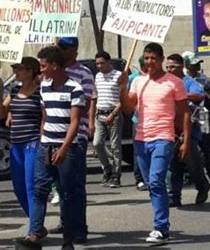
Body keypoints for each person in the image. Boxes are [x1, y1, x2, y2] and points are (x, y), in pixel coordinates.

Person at [119, 43, 191, 244]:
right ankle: (161, 224)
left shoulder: (174, 82)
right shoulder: (138, 82)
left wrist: (186, 139)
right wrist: (122, 87)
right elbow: (127, 108)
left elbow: (185, 112)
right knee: (152, 185)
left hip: (164, 137)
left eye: (153, 58)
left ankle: (161, 227)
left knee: (157, 180)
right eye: (146, 58)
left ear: (160, 59)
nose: (149, 62)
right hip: (141, 139)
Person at [16, 46, 84, 250]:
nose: (41, 70)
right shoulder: (44, 87)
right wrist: (42, 137)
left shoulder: (75, 88)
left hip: (67, 149)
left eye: (43, 66)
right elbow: (45, 116)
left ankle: (69, 239)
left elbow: (75, 121)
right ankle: (35, 234)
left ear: (55, 66)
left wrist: (63, 148)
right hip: (44, 145)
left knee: (67, 193)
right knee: (39, 190)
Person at [50, 37, 94, 244]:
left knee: (75, 185)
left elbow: (84, 104)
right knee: (60, 185)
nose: (60, 51)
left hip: (75, 136)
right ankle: (66, 221)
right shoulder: (51, 74)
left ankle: (79, 227)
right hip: (53, 135)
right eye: (59, 47)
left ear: (74, 50)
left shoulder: (83, 73)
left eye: (64, 48)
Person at [0, 57, 42, 236]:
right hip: (16, 145)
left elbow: (44, 117)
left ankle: (34, 228)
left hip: (32, 143)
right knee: (18, 187)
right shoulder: (13, 91)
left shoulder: (40, 92)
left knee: (30, 186)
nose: (15, 72)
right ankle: (36, 221)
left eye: (19, 69)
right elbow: (1, 113)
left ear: (30, 71)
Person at [165, 54, 210, 207]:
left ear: (181, 67)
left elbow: (199, 95)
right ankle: (174, 196)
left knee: (192, 162)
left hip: (188, 129)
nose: (169, 70)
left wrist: (181, 95)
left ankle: (202, 186)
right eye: (168, 67)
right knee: (172, 164)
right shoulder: (165, 83)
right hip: (170, 129)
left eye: (173, 67)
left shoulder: (188, 82)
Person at [183, 53, 210, 184]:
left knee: (207, 146)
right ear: (187, 66)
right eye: (194, 64)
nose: (197, 66)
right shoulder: (183, 79)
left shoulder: (203, 78)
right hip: (188, 116)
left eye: (198, 64)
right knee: (190, 146)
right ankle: (189, 176)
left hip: (202, 116)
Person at [91, 51, 123, 188]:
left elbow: (123, 100)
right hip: (100, 115)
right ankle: (107, 168)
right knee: (97, 144)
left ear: (108, 62)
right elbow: (95, 96)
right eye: (97, 63)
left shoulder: (118, 75)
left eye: (102, 63)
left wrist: (113, 114)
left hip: (113, 114)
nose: (99, 66)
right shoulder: (97, 76)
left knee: (115, 146)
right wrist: (93, 117)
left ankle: (116, 175)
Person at [128, 56, 147, 191]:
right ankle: (139, 179)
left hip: (154, 121)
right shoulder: (133, 78)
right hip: (138, 120)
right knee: (138, 150)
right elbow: (130, 99)